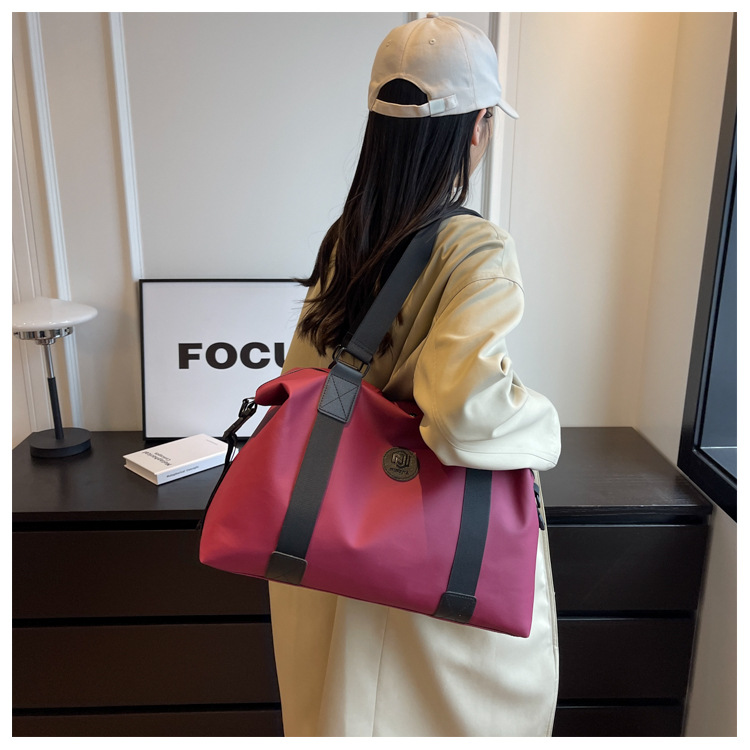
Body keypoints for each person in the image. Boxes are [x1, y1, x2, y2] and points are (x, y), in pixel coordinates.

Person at [269, 14, 561, 737]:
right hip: (427, 559)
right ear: (476, 128)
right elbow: (465, 414)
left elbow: (306, 377)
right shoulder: (475, 248)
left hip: (333, 538)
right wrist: (544, 423)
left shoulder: (349, 237)